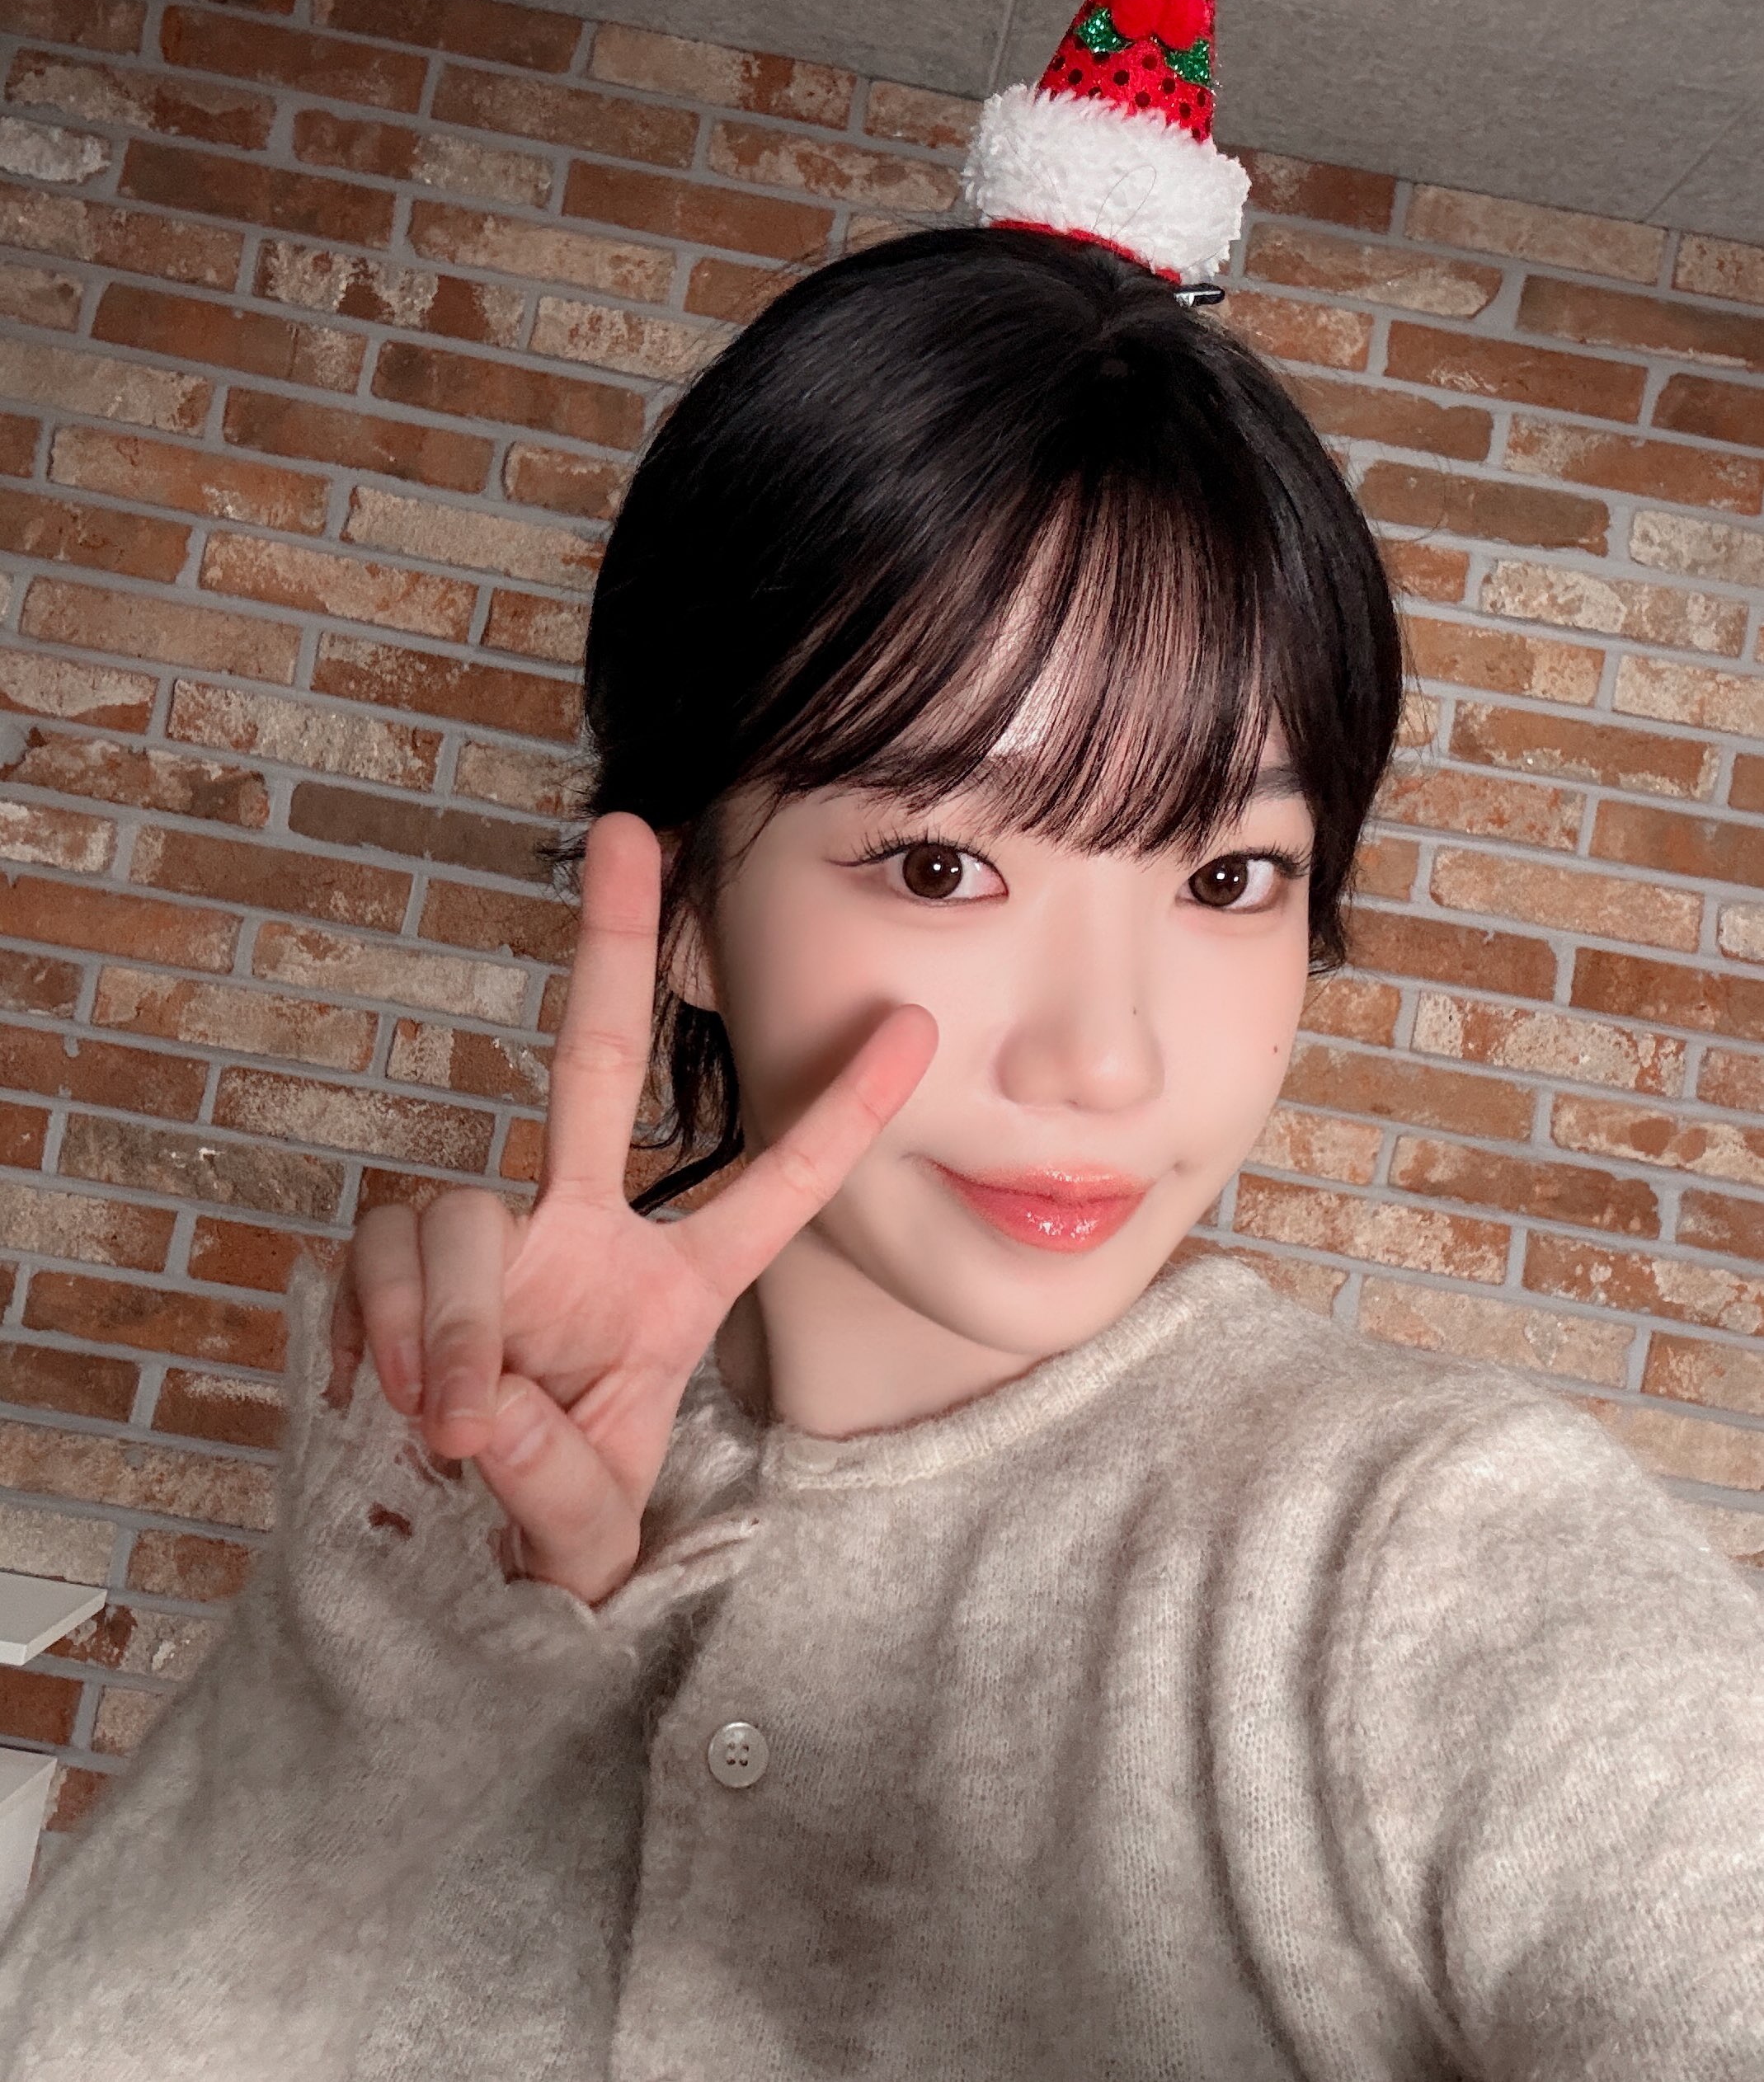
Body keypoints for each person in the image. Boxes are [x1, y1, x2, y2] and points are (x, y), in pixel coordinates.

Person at [2, 218, 1762, 2082]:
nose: (1106, 1057)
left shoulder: (1429, 1556)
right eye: (940, 865)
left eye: (1228, 877)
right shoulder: (477, 1497)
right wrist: (406, 1637)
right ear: (687, 904)